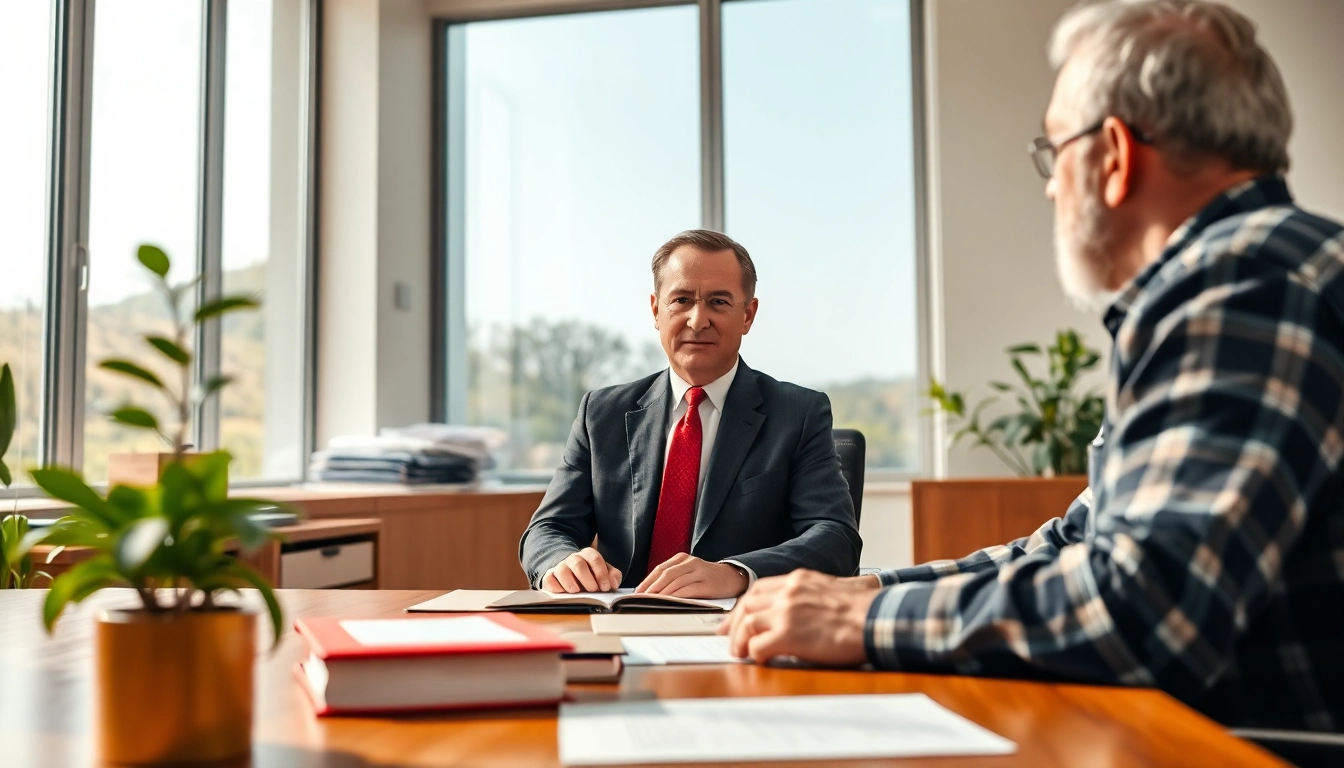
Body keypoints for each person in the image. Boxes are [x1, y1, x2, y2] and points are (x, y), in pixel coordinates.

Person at [721, 0, 1344, 732]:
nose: (1050, 186)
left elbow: (1145, 607)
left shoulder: (1242, 285)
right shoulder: (1260, 271)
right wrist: (867, 591)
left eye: (1053, 151)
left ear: (1113, 154)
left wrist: (867, 618)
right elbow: (1075, 545)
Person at [519, 229, 862, 599]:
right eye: (681, 300)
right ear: (656, 310)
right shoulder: (601, 414)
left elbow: (835, 537)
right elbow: (547, 529)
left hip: (739, 625)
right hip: (619, 620)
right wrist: (561, 561)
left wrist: (737, 574)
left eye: (719, 302)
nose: (698, 320)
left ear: (748, 315)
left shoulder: (799, 414)